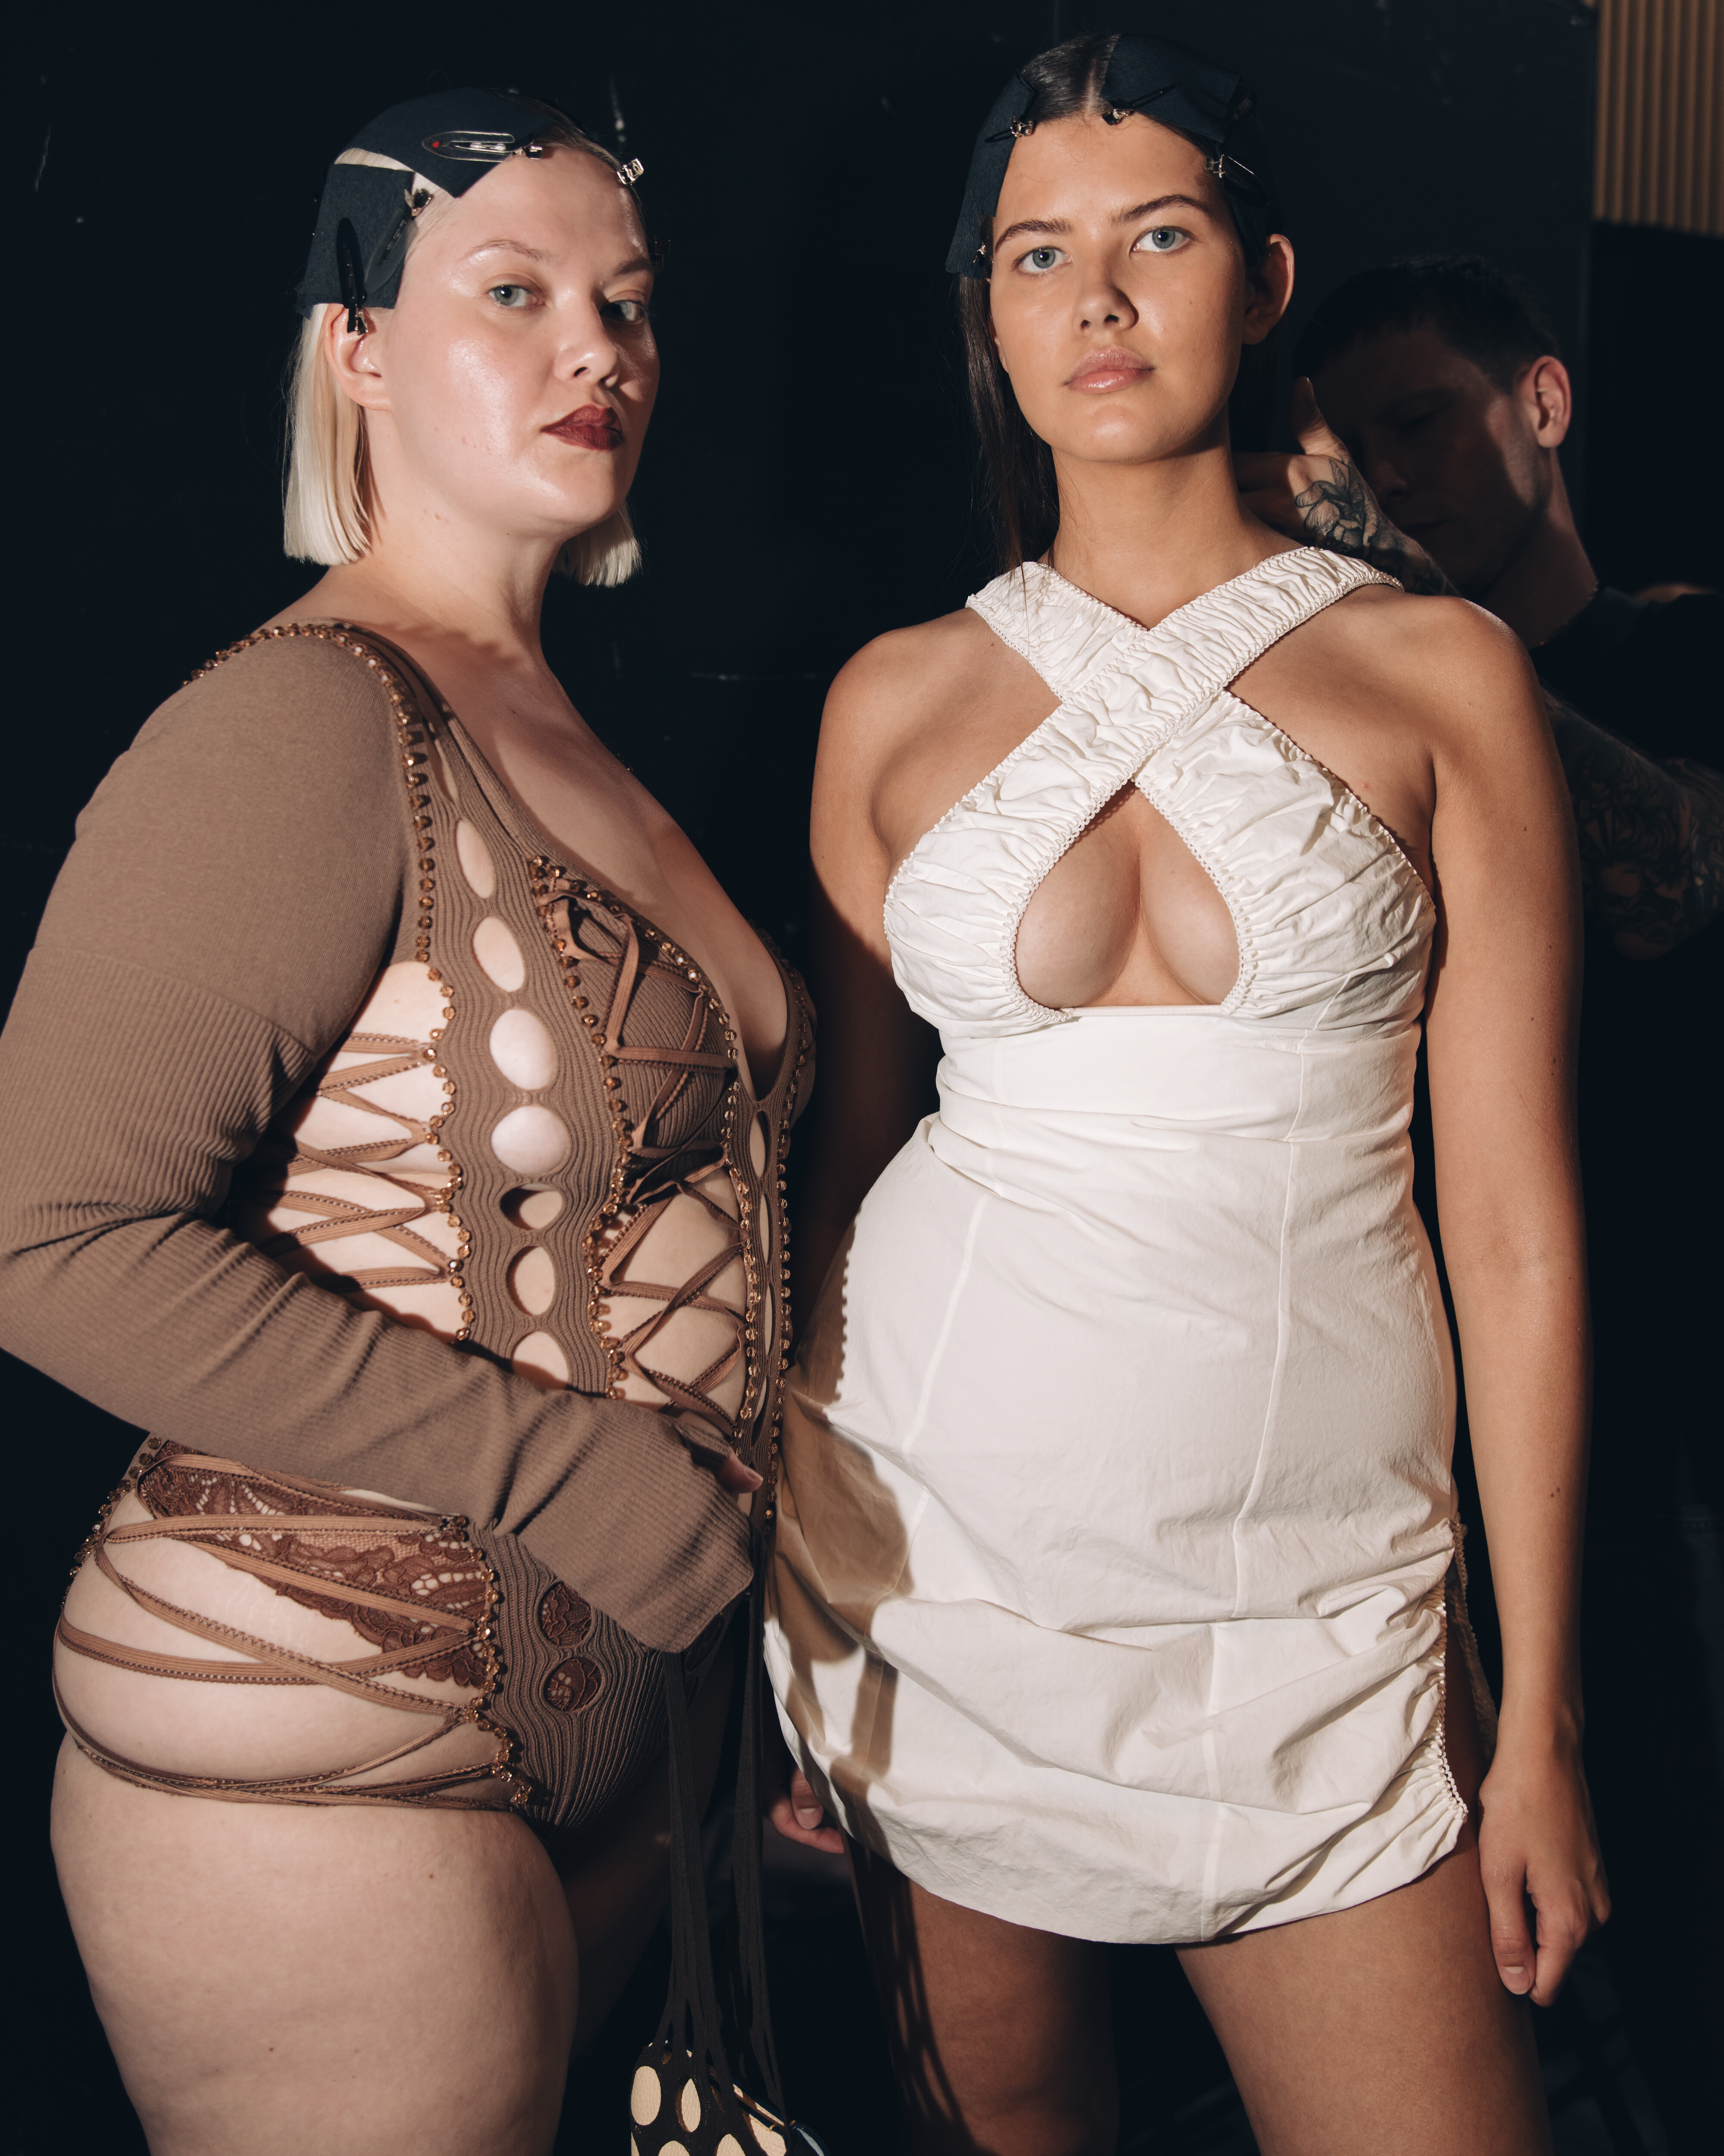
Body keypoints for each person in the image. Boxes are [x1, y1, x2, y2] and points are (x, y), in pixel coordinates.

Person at [762, 30, 1606, 2155]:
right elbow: (840, 1180)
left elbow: (1511, 1219)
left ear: (1264, 275)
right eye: (1036, 255)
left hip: (1318, 1619)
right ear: (988, 313)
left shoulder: (1440, 676)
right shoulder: (891, 699)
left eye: (1157, 238)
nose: (1098, 299)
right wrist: (787, 1612)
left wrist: (1539, 1712)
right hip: (939, 1581)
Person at [0, 90, 810, 2156]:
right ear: (354, 348)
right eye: (513, 293)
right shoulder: (296, 717)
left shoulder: (551, 713)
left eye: (629, 304)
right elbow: (45, 1234)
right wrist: (577, 1477)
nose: (597, 348)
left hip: (615, 1729)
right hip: (313, 1739)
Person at [1236, 254, 1723, 2153]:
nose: (1391, 473)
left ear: (1545, 400)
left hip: (1675, 1388)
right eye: (1353, 448)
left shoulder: (1674, 649)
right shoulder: (1353, 700)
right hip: (1461, 1413)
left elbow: (1670, 872)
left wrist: (1382, 585)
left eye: (1423, 423)